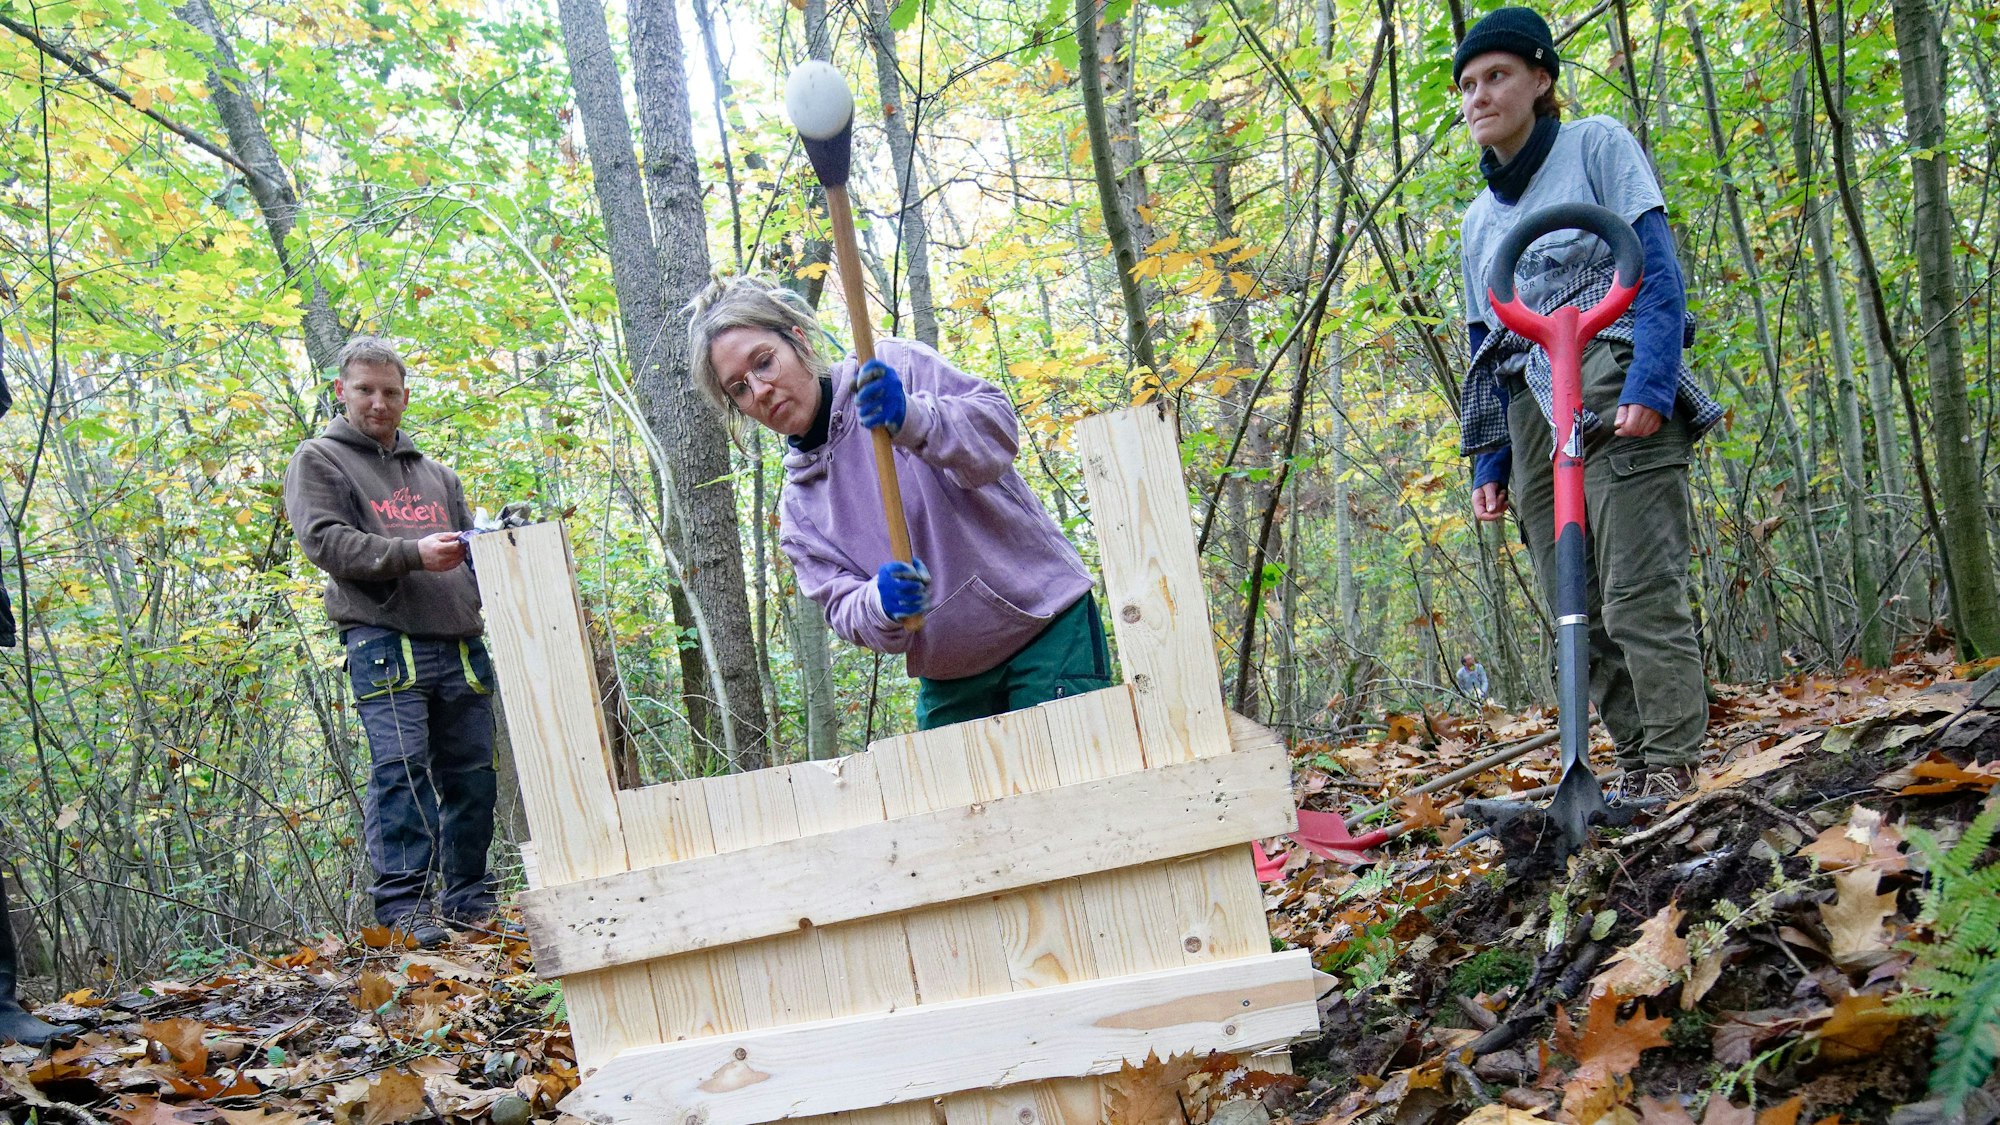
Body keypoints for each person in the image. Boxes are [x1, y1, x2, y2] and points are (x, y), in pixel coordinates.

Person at [1452, 8, 1722, 793]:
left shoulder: (1595, 144)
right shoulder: (1477, 221)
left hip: (1613, 362)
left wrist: (1650, 381)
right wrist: (1492, 458)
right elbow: (1487, 345)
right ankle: (1635, 769)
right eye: (1467, 84)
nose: (1480, 95)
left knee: (1640, 588)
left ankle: (1674, 767)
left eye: (1497, 75)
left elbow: (1657, 266)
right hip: (1535, 399)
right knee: (1578, 601)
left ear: (1541, 80)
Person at [686, 277, 1111, 730]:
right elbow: (843, 606)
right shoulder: (800, 511)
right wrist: (879, 604)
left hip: (1044, 627)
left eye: (764, 363)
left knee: (1073, 790)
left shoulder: (891, 367)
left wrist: (915, 417)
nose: (761, 390)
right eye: (739, 388)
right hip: (950, 674)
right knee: (955, 803)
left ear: (797, 340)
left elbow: (998, 434)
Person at [284, 337, 496, 947]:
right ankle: (403, 909)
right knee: (401, 772)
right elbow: (324, 541)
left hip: (460, 641)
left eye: (390, 392)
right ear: (341, 393)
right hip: (384, 641)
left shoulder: (437, 475)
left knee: (472, 775)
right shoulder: (319, 459)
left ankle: (469, 899)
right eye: (365, 391)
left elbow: (468, 554)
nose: (378, 403)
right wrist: (410, 553)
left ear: (405, 397)